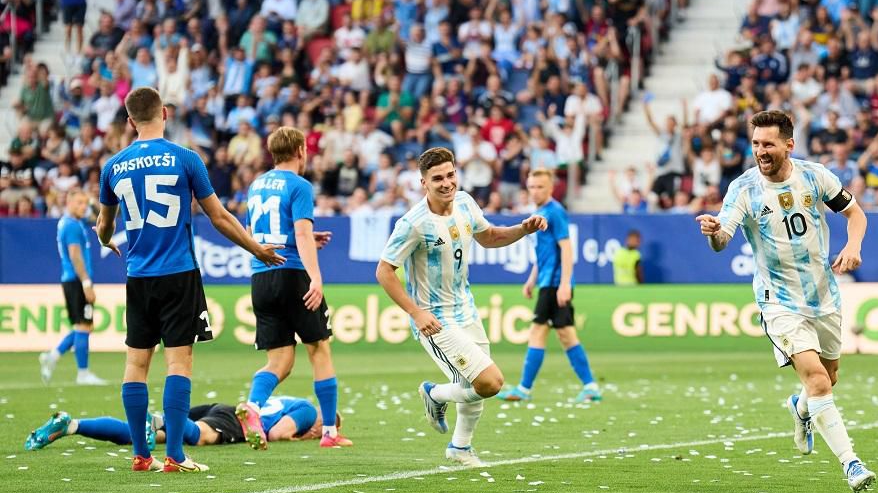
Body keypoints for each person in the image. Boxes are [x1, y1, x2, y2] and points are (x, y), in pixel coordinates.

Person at [95, 87, 285, 473]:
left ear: (130, 121)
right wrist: (257, 249)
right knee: (178, 363)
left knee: (136, 364)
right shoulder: (186, 159)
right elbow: (219, 217)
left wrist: (106, 241)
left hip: (138, 276)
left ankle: (140, 454)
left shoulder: (113, 166)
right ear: (164, 113)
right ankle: (176, 455)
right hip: (178, 273)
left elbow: (103, 225)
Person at [695, 110, 877, 493]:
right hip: (777, 300)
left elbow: (855, 213)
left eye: (768, 144)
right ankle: (851, 463)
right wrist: (713, 232)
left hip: (823, 295)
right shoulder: (743, 189)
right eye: (756, 143)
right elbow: (722, 238)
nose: (760, 151)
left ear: (788, 145)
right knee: (817, 380)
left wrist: (854, 244)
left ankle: (800, 408)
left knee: (828, 378)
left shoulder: (815, 176)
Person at [374, 147, 546, 467]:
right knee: (489, 382)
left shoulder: (465, 203)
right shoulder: (413, 223)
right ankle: (435, 394)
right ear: (423, 182)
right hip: (435, 319)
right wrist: (416, 312)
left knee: (475, 386)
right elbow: (384, 271)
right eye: (437, 178)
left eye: (450, 175)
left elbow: (490, 236)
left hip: (466, 309)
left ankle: (460, 448)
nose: (446, 183)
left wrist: (523, 228)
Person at [236, 127, 353, 451]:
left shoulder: (256, 185)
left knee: (281, 361)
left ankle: (254, 407)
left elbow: (250, 232)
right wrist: (315, 277)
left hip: (262, 276)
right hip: (292, 273)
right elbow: (301, 234)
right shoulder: (300, 185)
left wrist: (297, 240)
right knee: (319, 350)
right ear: (301, 150)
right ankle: (329, 431)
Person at [497, 169, 601, 404]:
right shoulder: (540, 213)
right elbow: (545, 253)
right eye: (531, 187)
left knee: (538, 331)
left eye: (540, 187)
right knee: (566, 335)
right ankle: (591, 386)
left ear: (551, 188)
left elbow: (566, 248)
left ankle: (524, 388)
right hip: (547, 281)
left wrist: (564, 283)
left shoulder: (555, 212)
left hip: (555, 284)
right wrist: (532, 279)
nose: (535, 191)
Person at [24, 396, 331, 451]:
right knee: (200, 438)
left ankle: (72, 425)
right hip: (234, 419)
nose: (321, 430)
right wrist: (298, 437)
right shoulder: (307, 409)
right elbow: (275, 433)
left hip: (220, 408)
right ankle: (160, 419)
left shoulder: (289, 400)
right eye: (328, 424)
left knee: (141, 440)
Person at [39, 189, 108, 386]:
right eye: (79, 203)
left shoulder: (71, 222)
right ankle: (83, 374)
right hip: (77, 281)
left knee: (83, 326)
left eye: (84, 203)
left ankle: (53, 355)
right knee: (83, 326)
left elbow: (98, 218)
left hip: (72, 280)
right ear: (68, 203)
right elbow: (75, 256)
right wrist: (86, 282)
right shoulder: (72, 226)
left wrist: (92, 201)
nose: (83, 207)